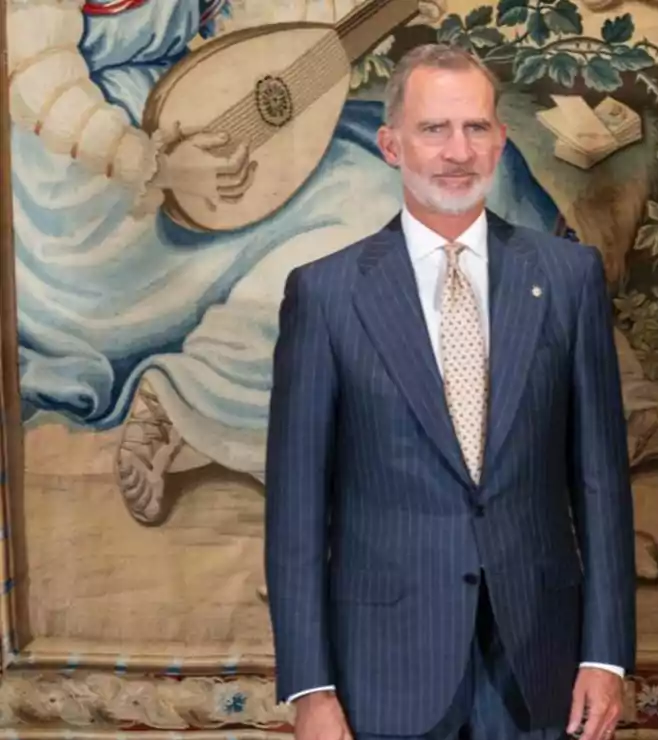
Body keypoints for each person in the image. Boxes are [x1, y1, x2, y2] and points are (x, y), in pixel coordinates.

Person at [9, 0, 560, 526]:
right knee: (350, 239)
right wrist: (152, 164)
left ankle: (191, 391)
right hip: (95, 197)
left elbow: (253, 31)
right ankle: (195, 403)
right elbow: (34, 76)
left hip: (210, 123)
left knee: (406, 191)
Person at [264, 44, 636, 740]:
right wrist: (311, 688)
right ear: (392, 144)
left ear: (501, 139)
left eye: (475, 128)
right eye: (435, 129)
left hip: (536, 673)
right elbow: (295, 513)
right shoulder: (327, 295)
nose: (458, 151)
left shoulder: (567, 280)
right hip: (385, 675)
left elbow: (601, 485)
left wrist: (606, 655)